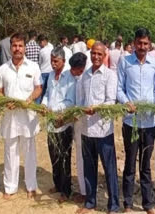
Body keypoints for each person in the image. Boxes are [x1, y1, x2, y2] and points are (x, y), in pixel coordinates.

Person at [117, 28, 155, 214]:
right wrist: (126, 102)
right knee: (129, 164)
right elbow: (119, 88)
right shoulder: (125, 61)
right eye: (139, 43)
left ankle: (147, 204)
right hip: (131, 121)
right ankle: (128, 204)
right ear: (134, 43)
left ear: (149, 44)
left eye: (145, 43)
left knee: (145, 166)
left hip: (150, 123)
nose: (142, 47)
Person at [0, 32, 42, 199]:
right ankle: (10, 187)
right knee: (10, 152)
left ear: (25, 48)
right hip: (10, 117)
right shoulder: (2, 69)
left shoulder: (33, 67)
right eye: (14, 45)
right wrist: (4, 101)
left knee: (29, 152)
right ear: (10, 47)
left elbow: (38, 88)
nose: (17, 49)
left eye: (20, 45)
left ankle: (31, 186)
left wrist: (31, 99)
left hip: (28, 117)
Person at [76, 42, 119, 214]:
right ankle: (90, 202)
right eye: (94, 53)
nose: (96, 57)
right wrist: (80, 110)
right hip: (86, 130)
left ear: (105, 56)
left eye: (99, 54)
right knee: (89, 168)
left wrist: (96, 108)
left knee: (109, 170)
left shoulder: (110, 75)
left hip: (103, 130)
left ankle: (114, 206)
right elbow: (79, 101)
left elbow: (110, 101)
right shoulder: (84, 76)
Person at [42, 47, 76, 203]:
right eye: (51, 60)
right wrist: (43, 105)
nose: (53, 63)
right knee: (53, 155)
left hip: (63, 123)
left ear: (63, 61)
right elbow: (48, 94)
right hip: (50, 122)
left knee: (64, 157)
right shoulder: (50, 75)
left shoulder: (69, 77)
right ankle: (57, 184)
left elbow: (70, 101)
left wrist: (56, 111)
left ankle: (66, 190)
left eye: (56, 61)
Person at [69, 52, 87, 203]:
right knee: (79, 157)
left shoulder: (84, 80)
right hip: (76, 121)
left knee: (82, 157)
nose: (71, 71)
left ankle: (85, 192)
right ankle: (83, 189)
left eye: (73, 69)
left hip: (83, 123)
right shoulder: (76, 79)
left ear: (80, 69)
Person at [36, 34, 54, 104]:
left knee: (40, 90)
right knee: (49, 90)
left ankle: (38, 104)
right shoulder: (52, 48)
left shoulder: (41, 51)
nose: (40, 44)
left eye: (40, 42)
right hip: (51, 72)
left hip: (43, 72)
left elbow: (40, 62)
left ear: (44, 41)